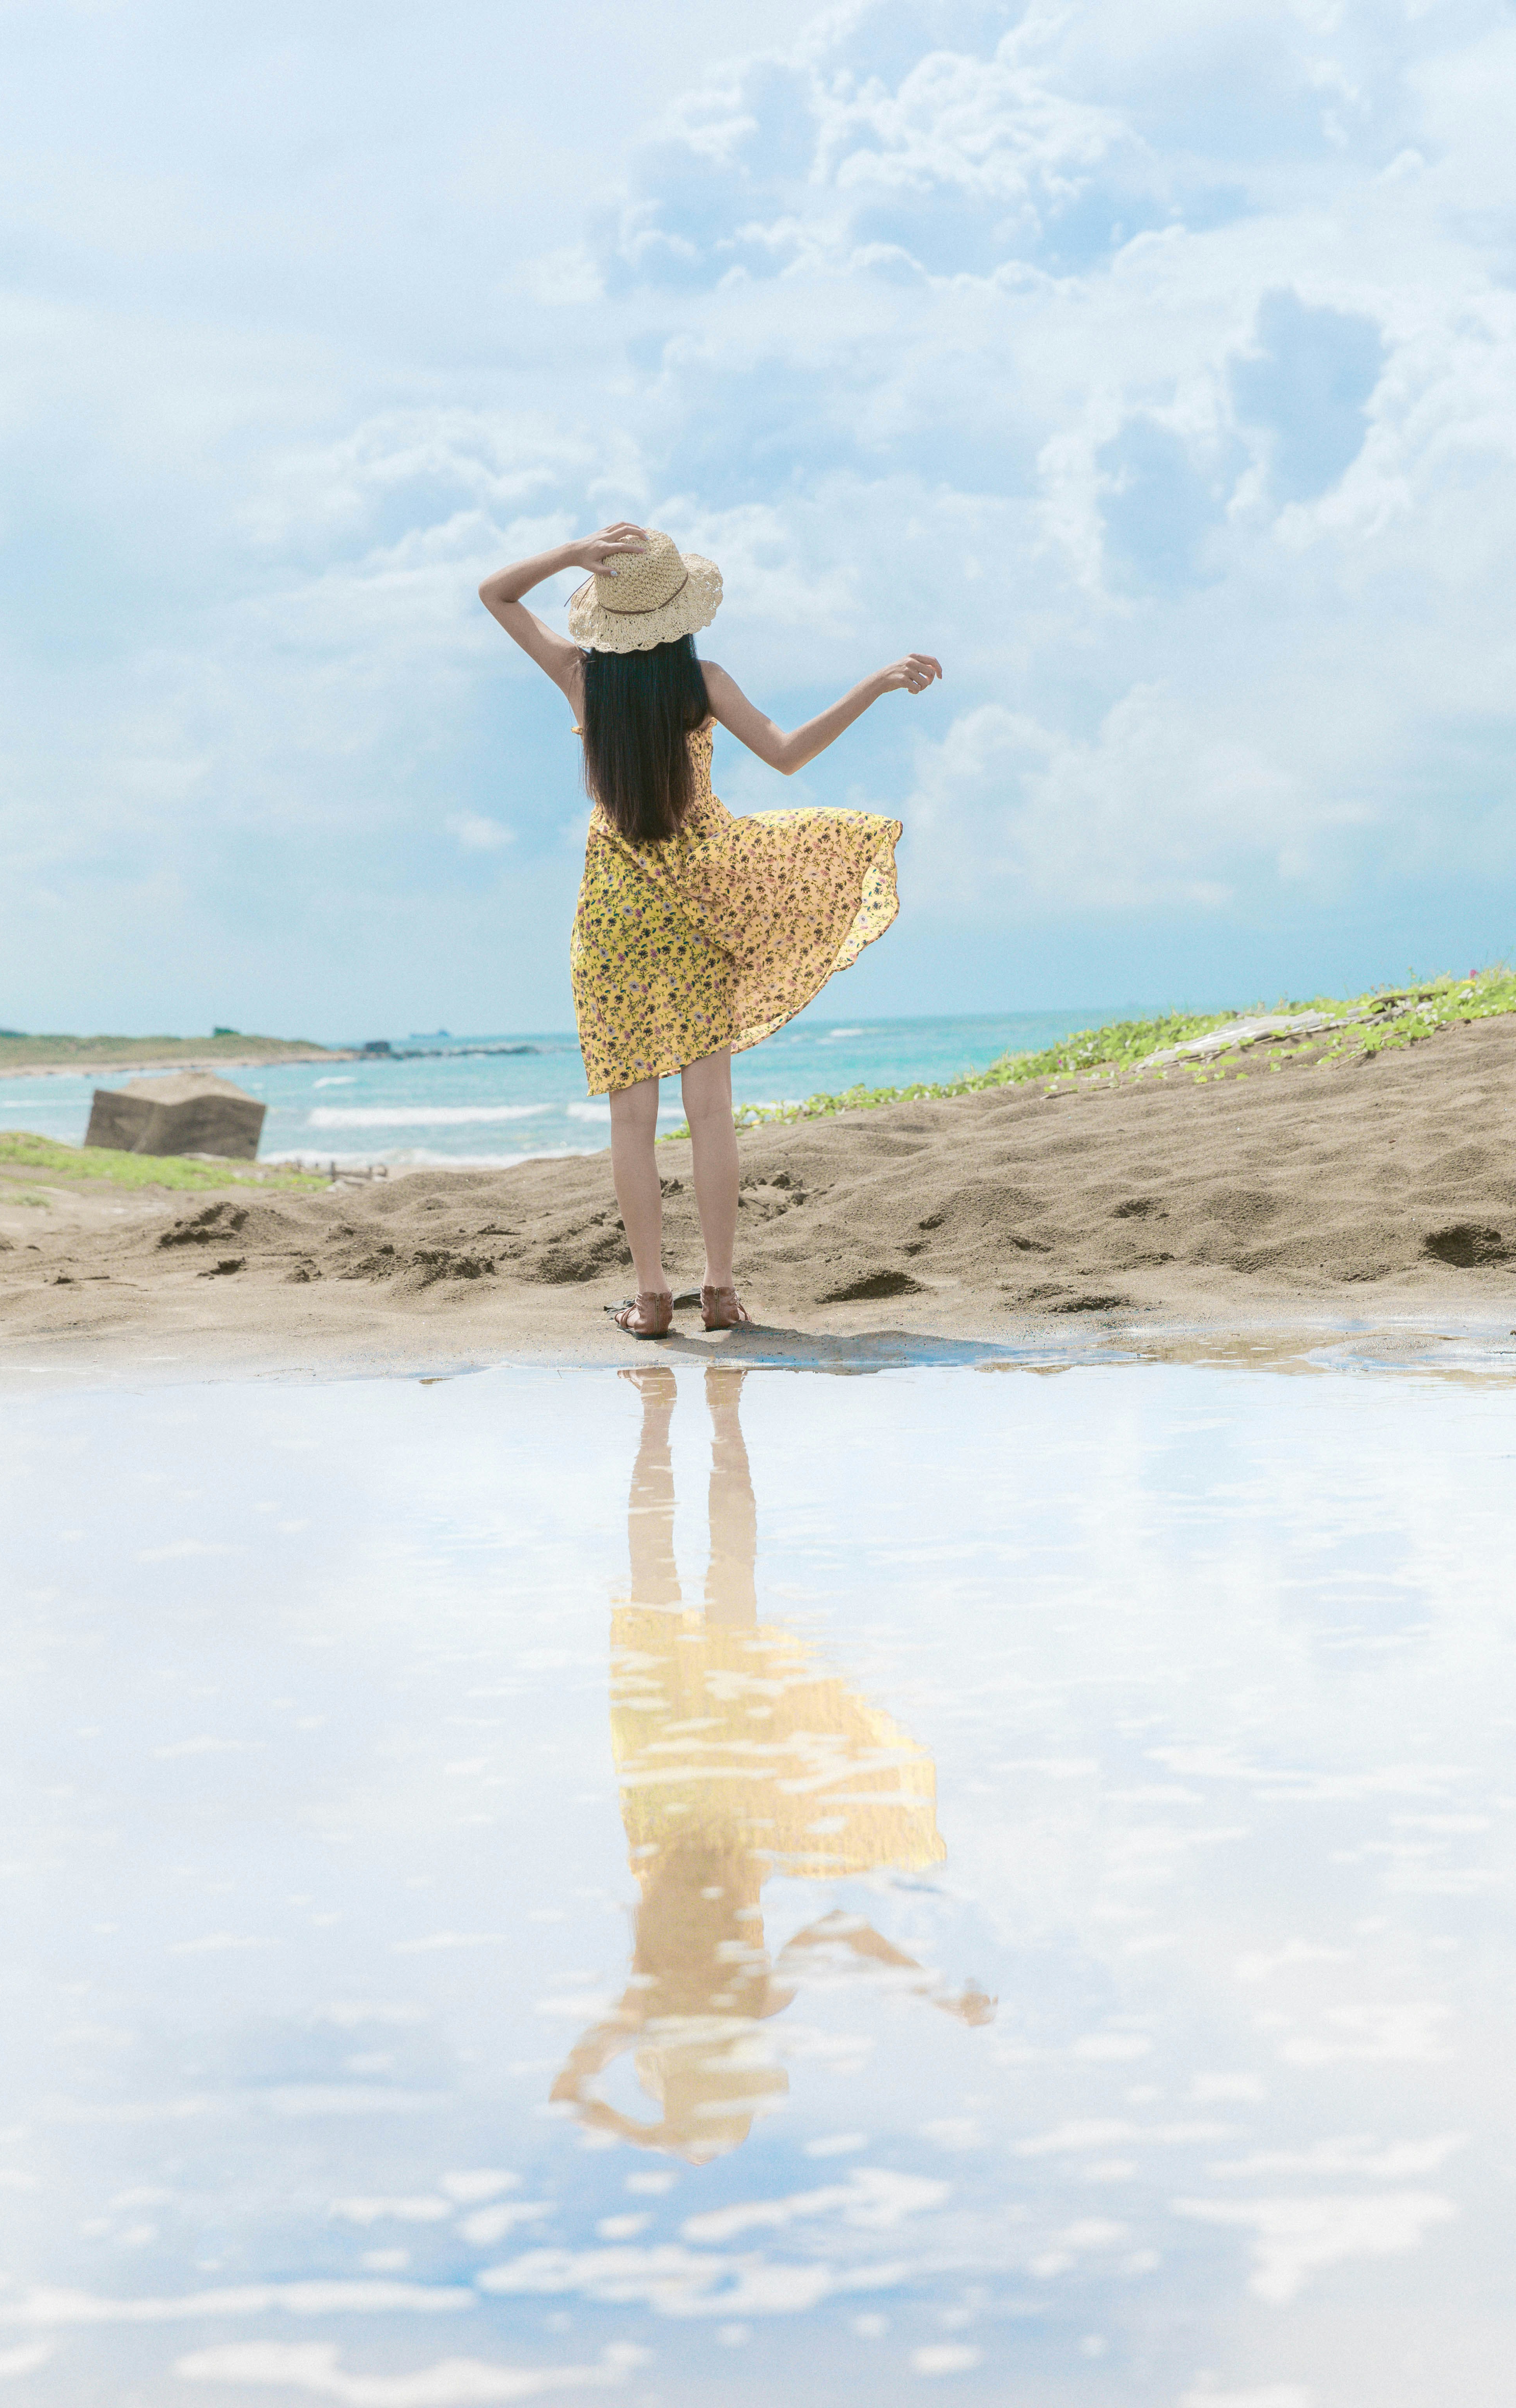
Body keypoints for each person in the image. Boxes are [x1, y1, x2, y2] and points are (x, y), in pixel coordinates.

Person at [478, 524, 941, 1338]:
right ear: (679, 609)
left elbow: (496, 594)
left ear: (608, 611)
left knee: (631, 1120)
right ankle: (720, 1291)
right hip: (702, 901)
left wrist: (569, 554)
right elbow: (787, 754)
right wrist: (871, 685)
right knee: (711, 1110)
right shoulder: (701, 683)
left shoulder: (581, 678)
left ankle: (653, 1298)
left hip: (616, 913)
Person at [548, 1364, 993, 2162]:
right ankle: (710, 1409)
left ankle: (670, 1410)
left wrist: (656, 2136)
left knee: (679, 1585)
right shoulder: (724, 2003)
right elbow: (842, 1930)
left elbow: (566, 2090)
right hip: (718, 1794)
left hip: (675, 1794)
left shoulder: (653, 2010)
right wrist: (937, 1996)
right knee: (715, 1584)